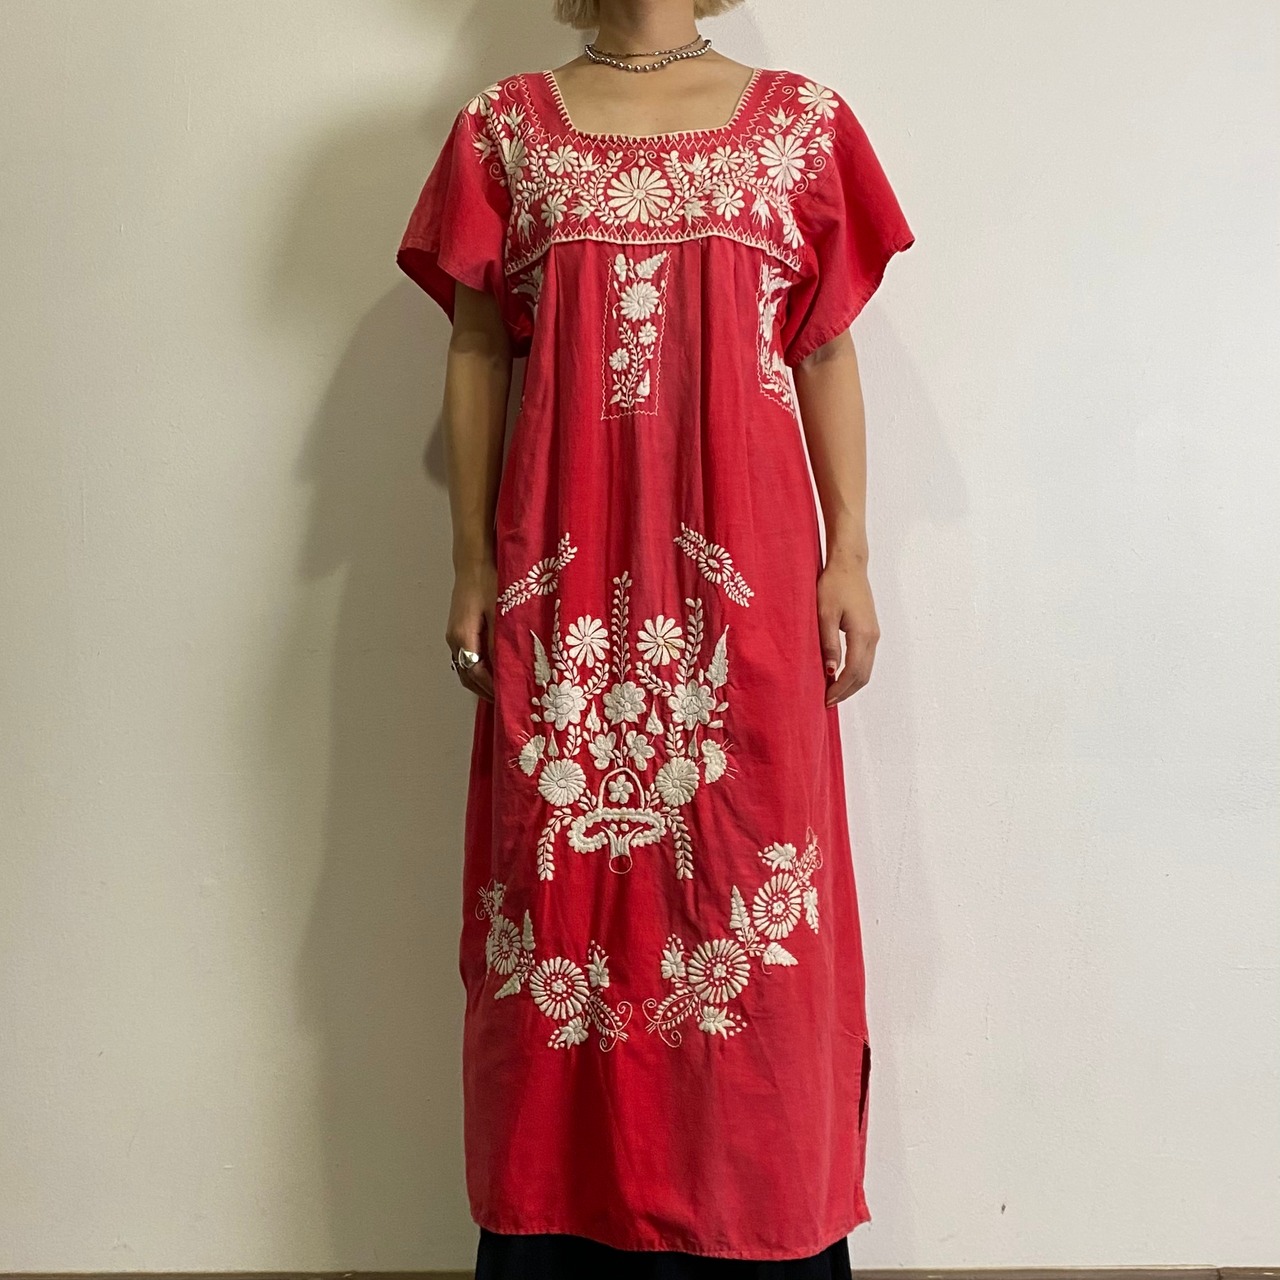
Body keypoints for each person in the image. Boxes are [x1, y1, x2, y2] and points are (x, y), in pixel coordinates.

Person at [395, 0, 915, 1274]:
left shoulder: (799, 126)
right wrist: (470, 561)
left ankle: (761, 1225)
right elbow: (477, 346)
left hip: (748, 597)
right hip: (560, 590)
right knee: (555, 898)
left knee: (752, 904)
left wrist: (849, 552)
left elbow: (823, 348)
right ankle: (553, 1225)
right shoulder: (504, 131)